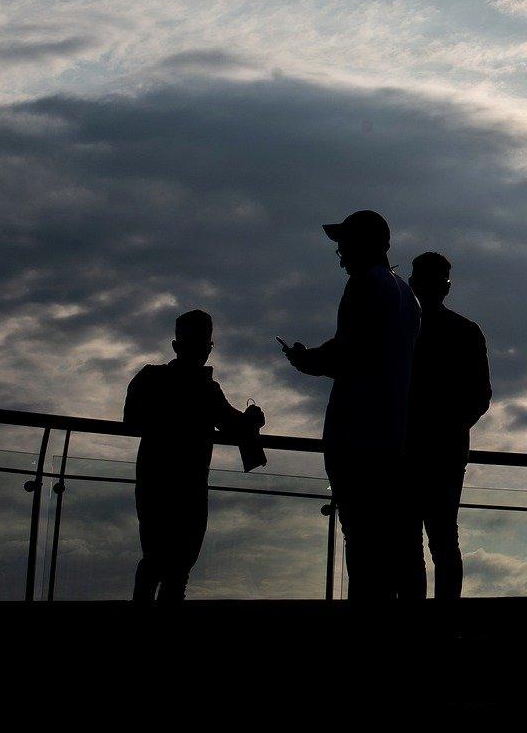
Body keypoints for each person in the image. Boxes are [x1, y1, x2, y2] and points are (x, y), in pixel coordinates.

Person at [282, 209, 421, 599]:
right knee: (387, 540)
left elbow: (349, 352)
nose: (339, 252)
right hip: (392, 434)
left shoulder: (363, 285)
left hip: (357, 433)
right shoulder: (407, 296)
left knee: (361, 540)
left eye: (344, 243)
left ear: (363, 244)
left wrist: (307, 360)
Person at [125, 309, 264, 602]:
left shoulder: (148, 378)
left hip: (152, 481)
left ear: (176, 345)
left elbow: (131, 419)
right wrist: (253, 419)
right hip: (190, 487)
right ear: (208, 348)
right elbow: (233, 423)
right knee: (178, 570)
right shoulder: (207, 389)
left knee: (153, 558)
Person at [406, 251, 493, 599]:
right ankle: (446, 622)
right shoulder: (466, 331)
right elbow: (480, 396)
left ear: (413, 284)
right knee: (443, 538)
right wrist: (453, 427)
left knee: (408, 539)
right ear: (446, 287)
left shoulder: (402, 331)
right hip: (447, 449)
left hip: (406, 447)